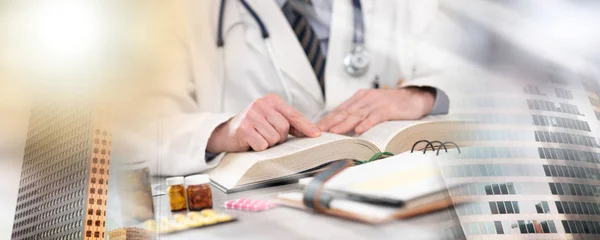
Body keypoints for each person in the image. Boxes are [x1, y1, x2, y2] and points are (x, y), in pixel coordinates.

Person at [121, 0, 450, 176]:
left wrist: (418, 95)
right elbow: (138, 128)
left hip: (385, 188)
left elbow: (472, 68)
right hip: (255, 213)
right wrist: (221, 131)